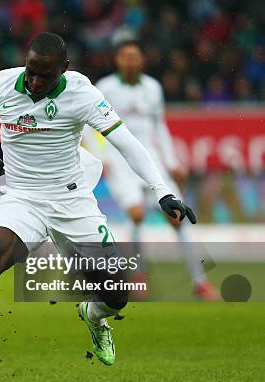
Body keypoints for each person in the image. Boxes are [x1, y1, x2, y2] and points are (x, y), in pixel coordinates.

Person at [0, 32, 196, 366]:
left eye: (44, 75)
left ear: (63, 68)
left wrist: (161, 189)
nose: (34, 81)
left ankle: (94, 316)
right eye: (30, 71)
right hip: (22, 198)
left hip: (73, 202)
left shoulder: (83, 93)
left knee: (117, 295)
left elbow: (127, 142)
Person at [83, 39, 219, 300]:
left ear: (141, 60)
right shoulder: (106, 87)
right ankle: (139, 274)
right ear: (118, 60)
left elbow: (160, 127)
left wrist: (171, 161)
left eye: (135, 56)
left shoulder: (153, 88)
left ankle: (200, 281)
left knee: (178, 217)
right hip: (120, 161)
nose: (130, 61)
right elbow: (88, 125)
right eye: (125, 56)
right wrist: (101, 156)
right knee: (136, 214)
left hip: (151, 160)